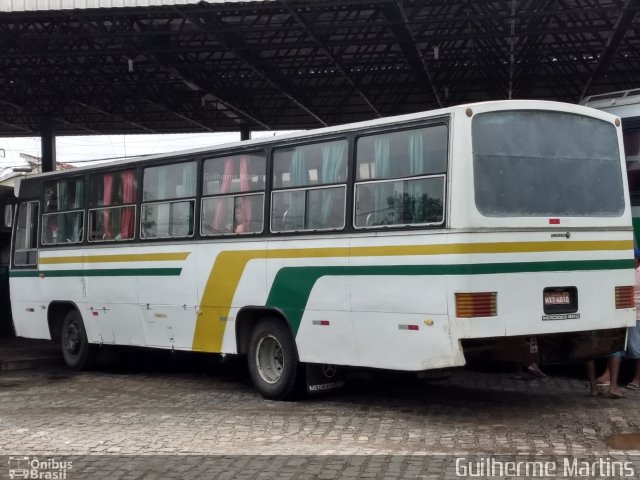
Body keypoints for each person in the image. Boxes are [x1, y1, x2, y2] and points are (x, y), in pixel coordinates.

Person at [590, 248, 640, 398]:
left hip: (637, 315)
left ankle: (637, 379)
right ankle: (610, 379)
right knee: (617, 347)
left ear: (637, 259)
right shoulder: (624, 272)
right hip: (620, 313)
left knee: (636, 348)